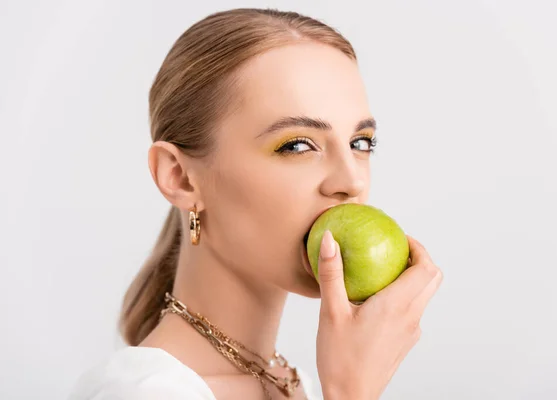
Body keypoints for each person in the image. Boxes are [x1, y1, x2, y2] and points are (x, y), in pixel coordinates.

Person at [69, 7, 443, 400]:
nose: (352, 181)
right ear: (179, 177)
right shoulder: (142, 393)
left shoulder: (295, 384)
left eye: (360, 143)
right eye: (297, 145)